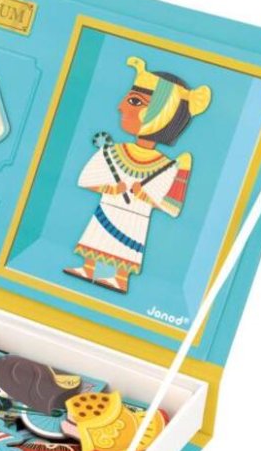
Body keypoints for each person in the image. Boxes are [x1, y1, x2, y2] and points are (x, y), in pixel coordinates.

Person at [64, 56, 211, 293]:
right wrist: (111, 188)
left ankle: (119, 278)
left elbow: (170, 205)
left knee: (126, 247)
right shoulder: (112, 151)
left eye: (134, 101)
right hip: (108, 208)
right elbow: (86, 179)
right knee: (97, 238)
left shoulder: (167, 166)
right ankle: (90, 269)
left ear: (160, 113)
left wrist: (145, 194)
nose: (121, 106)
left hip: (136, 217)